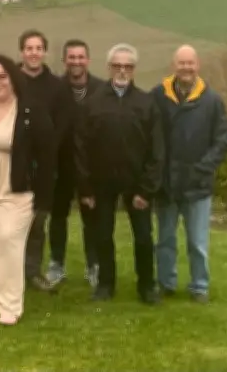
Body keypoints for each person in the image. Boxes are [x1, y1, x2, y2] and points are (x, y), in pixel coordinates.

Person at [0, 55, 55, 325]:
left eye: (2, 76)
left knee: (7, 238)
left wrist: (44, 195)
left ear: (13, 78)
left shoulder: (30, 110)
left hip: (16, 183)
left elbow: (47, 155)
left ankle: (10, 305)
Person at [75, 43, 164, 304]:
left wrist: (147, 189)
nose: (122, 71)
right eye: (117, 66)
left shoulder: (147, 103)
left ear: (134, 69)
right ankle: (105, 284)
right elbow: (80, 148)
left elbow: (157, 150)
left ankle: (146, 286)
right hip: (101, 183)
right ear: (109, 67)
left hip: (137, 183)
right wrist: (85, 188)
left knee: (144, 238)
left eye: (127, 66)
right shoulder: (92, 103)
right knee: (102, 236)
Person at [152, 45, 227, 304]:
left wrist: (202, 169)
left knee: (197, 242)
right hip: (166, 185)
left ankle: (199, 286)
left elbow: (223, 141)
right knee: (165, 240)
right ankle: (166, 283)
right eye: (181, 63)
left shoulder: (212, 101)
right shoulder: (158, 96)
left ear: (198, 65)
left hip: (198, 185)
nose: (186, 68)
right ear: (173, 65)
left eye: (190, 63)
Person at [16, 29, 72, 292]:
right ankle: (9, 272)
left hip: (46, 165)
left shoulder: (58, 87)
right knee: (12, 222)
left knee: (38, 221)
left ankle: (32, 271)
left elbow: (62, 125)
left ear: (45, 52)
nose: (34, 53)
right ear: (21, 52)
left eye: (38, 48)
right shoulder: (10, 81)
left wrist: (46, 151)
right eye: (29, 48)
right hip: (14, 162)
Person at [46, 39, 103, 289]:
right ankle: (56, 265)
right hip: (61, 164)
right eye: (71, 57)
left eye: (80, 57)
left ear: (88, 60)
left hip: (91, 166)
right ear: (64, 61)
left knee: (92, 218)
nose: (76, 62)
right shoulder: (55, 90)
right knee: (58, 216)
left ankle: (94, 266)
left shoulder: (101, 90)